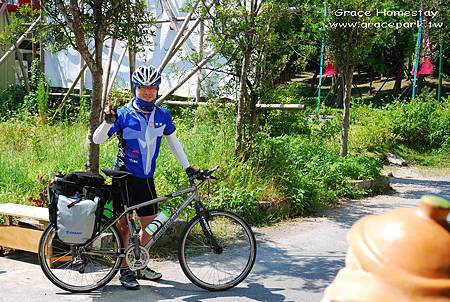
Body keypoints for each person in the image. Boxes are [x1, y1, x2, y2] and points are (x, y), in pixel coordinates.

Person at [93, 65, 198, 290]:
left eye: (152, 88)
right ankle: (124, 271)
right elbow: (97, 140)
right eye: (143, 88)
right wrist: (107, 122)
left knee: (151, 226)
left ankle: (137, 262)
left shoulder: (162, 115)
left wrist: (188, 167)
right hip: (123, 177)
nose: (148, 92)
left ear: (158, 90)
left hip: (146, 178)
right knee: (122, 228)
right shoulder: (123, 114)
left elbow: (173, 141)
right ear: (135, 89)